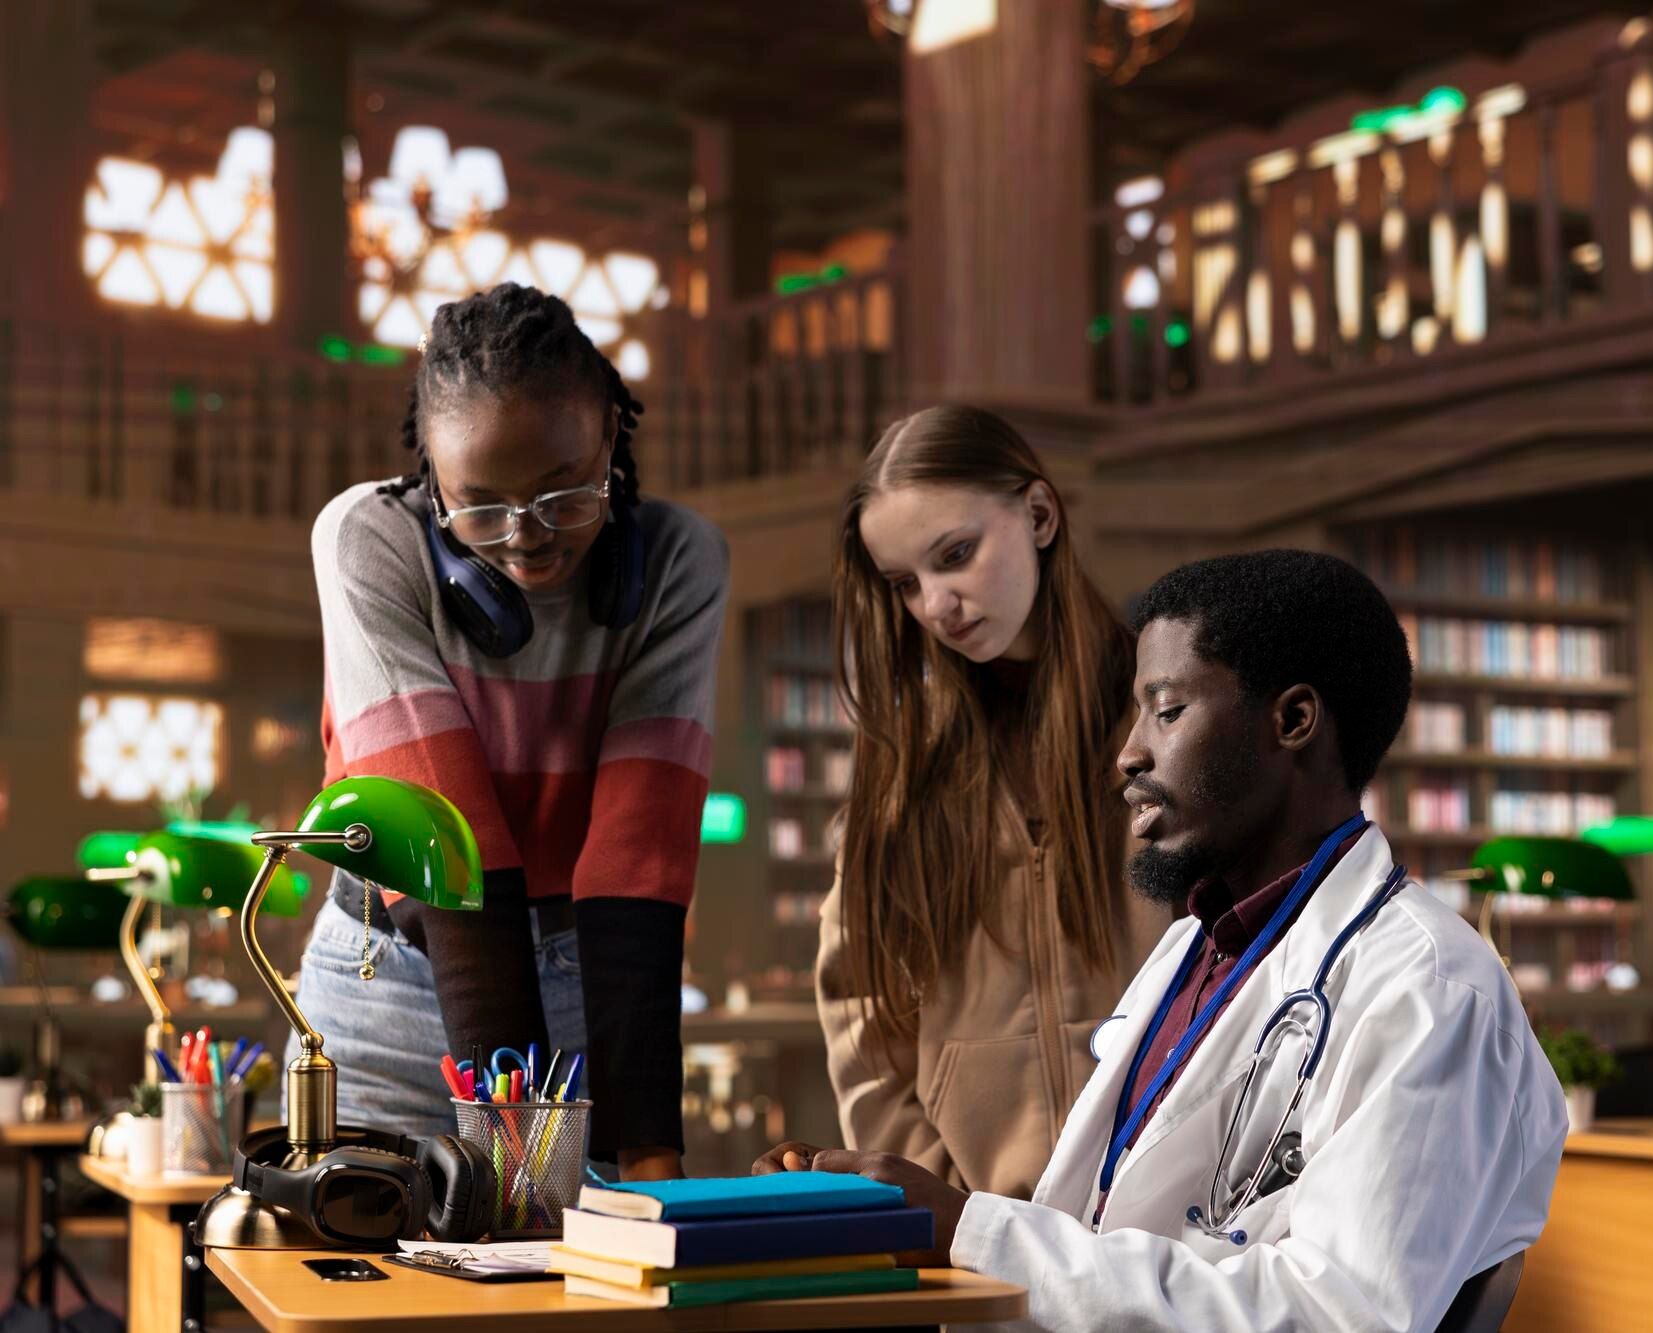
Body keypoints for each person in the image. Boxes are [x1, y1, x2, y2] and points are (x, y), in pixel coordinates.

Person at [758, 549, 1566, 1331]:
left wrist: (972, 1232)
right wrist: (876, 1207)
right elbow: (1098, 1233)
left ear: (1292, 720)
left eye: (1167, 709)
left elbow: (1338, 1314)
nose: (1129, 752)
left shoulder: (1428, 987)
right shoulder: (1194, 950)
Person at [300, 282, 727, 1179]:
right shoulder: (366, 538)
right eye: (479, 505)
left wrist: (646, 1144)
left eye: (564, 495)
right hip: (386, 980)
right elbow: (442, 838)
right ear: (430, 475)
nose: (524, 541)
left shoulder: (682, 562)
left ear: (611, 432)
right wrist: (520, 1151)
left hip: (585, 984)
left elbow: (636, 854)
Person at [813, 405, 1169, 1200]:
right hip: (977, 1245)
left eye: (957, 554)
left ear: (1039, 515)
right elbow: (862, 1006)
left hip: (1172, 1237)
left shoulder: (1163, 726)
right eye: (906, 583)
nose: (937, 604)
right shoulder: (902, 771)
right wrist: (943, 1201)